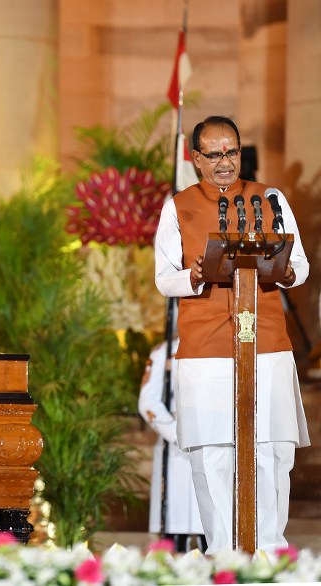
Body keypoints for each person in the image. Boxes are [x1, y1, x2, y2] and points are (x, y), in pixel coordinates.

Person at [154, 115, 310, 553]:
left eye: (232, 152)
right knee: (213, 456)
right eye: (214, 154)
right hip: (206, 348)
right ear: (196, 158)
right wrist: (195, 274)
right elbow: (164, 278)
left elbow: (301, 266)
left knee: (273, 450)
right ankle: (223, 555)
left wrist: (283, 272)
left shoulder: (271, 199)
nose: (225, 162)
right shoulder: (178, 206)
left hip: (267, 343)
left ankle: (269, 554)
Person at [138, 337, 206, 553]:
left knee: (215, 529)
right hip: (176, 447)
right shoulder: (164, 352)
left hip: (215, 443)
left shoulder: (227, 345)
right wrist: (178, 434)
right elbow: (148, 401)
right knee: (175, 527)